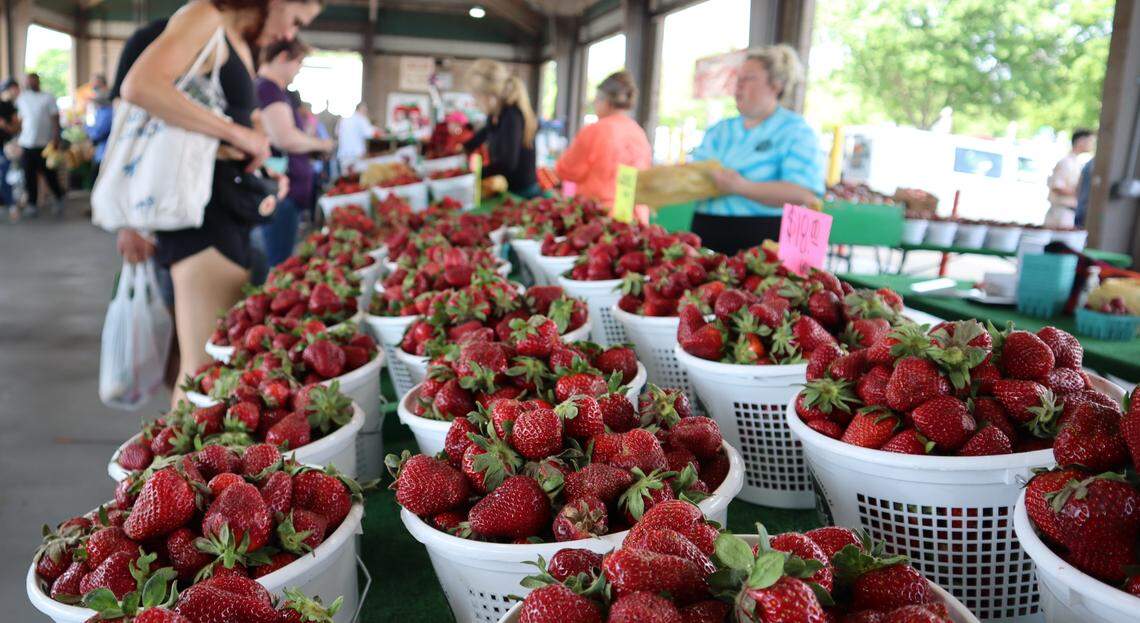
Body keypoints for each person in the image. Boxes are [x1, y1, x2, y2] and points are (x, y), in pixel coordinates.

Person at [112, 0, 322, 407]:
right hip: (201, 222)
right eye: (295, 20)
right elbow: (140, 86)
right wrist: (241, 137)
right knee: (200, 373)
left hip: (228, 215)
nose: (290, 34)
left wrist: (259, 157)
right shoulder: (205, 14)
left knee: (212, 370)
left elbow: (233, 124)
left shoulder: (236, 39)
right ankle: (174, 471)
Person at [690, 45, 824, 254]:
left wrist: (740, 187)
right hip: (707, 233)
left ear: (776, 85)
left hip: (767, 240)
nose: (738, 86)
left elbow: (803, 192)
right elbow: (693, 173)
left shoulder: (796, 130)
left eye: (748, 79)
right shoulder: (719, 130)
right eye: (738, 79)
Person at [255, 37, 332, 266]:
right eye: (299, 63)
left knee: (281, 259)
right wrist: (322, 145)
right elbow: (284, 138)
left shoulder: (277, 92)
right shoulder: (267, 90)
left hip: (287, 193)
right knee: (277, 265)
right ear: (282, 58)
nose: (299, 71)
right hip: (281, 194)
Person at [555, 71, 652, 207]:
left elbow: (567, 171)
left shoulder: (595, 130)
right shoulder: (639, 133)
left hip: (599, 216)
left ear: (606, 101)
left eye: (596, 99)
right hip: (635, 218)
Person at [463, 59, 541, 198]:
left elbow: (507, 164)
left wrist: (476, 174)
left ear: (489, 96)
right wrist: (464, 147)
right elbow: (485, 133)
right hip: (507, 188)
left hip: (522, 193)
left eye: (476, 97)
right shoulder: (495, 114)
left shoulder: (511, 115)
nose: (475, 102)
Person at [15, 73, 66, 218]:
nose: (30, 83)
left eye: (32, 81)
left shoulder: (48, 97)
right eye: (27, 81)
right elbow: (20, 120)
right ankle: (32, 204)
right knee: (29, 175)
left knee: (49, 174)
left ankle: (58, 197)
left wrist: (56, 138)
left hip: (44, 144)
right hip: (27, 143)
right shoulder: (22, 99)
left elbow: (55, 119)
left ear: (37, 81)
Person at [1046, 129, 1094, 228]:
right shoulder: (1066, 163)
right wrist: (1082, 193)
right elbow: (1057, 187)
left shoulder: (1076, 162)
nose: (1092, 145)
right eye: (1090, 141)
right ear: (1081, 141)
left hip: (1069, 213)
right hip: (1061, 213)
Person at [85, 75, 113, 180]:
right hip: (101, 153)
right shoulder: (100, 110)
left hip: (106, 154)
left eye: (96, 87)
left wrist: (87, 128)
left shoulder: (108, 110)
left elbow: (98, 133)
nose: (94, 90)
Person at [0, 78, 20, 219]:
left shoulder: (8, 106)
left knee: (5, 177)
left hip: (5, 147)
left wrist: (4, 126)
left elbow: (16, 127)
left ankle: (11, 204)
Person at [336, 102, 377, 169]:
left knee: (345, 176)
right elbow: (371, 133)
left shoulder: (344, 119)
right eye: (365, 110)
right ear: (360, 109)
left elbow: (337, 133)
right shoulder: (361, 118)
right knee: (355, 177)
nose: (365, 112)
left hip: (343, 154)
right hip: (356, 154)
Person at [1075, 158, 1094, 229]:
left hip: (1081, 209)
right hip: (1086, 212)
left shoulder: (1089, 164)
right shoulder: (1094, 164)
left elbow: (1078, 188)